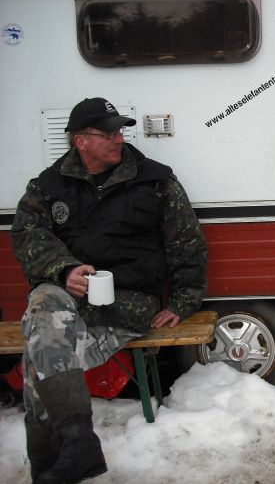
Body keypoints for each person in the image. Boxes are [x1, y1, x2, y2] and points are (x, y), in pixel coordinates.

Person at [11, 97, 208, 483]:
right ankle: (76, 447)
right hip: (68, 302)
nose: (119, 138)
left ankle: (56, 465)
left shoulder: (155, 182)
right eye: (109, 133)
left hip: (128, 305)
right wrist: (63, 270)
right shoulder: (48, 187)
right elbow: (27, 235)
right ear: (80, 141)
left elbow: (187, 242)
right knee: (44, 302)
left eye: (120, 131)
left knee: (39, 361)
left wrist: (184, 300)